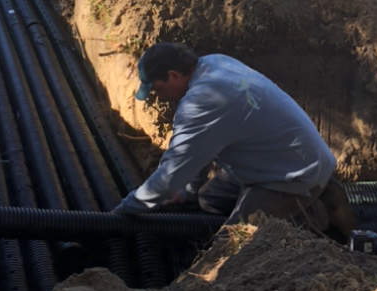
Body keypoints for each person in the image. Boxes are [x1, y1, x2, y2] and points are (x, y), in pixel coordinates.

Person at [113, 42, 357, 239]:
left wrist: (123, 211)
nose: (160, 97)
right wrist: (188, 193)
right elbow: (197, 150)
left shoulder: (201, 101)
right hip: (285, 155)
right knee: (208, 197)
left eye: (158, 89)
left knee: (232, 246)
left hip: (291, 174)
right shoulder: (215, 62)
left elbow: (170, 174)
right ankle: (305, 196)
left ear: (173, 75)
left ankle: (314, 212)